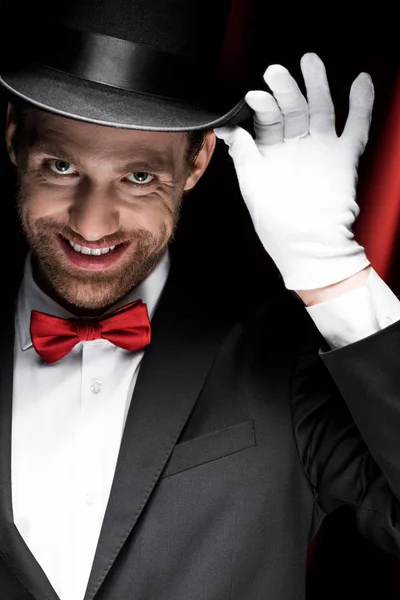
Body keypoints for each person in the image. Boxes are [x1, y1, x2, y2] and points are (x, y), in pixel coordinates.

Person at [1, 1, 400, 599]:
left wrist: (332, 270)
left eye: (139, 177)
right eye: (60, 166)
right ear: (13, 138)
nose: (90, 223)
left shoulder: (282, 363)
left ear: (198, 161)